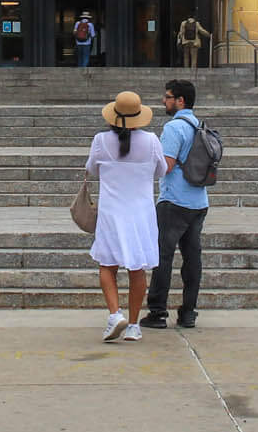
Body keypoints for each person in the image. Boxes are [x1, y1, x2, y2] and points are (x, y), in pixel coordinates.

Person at [86, 90, 166, 342]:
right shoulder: (152, 140)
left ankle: (114, 314)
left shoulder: (100, 140)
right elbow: (161, 170)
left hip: (112, 210)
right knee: (137, 267)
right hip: (141, 212)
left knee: (107, 264)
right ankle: (133, 324)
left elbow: (91, 170)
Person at [140, 78, 208, 330]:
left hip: (174, 200)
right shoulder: (198, 125)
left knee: (163, 256)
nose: (163, 101)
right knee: (192, 258)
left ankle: (157, 311)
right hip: (199, 200)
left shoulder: (174, 127)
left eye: (168, 97)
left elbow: (166, 165)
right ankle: (189, 311)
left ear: (180, 101)